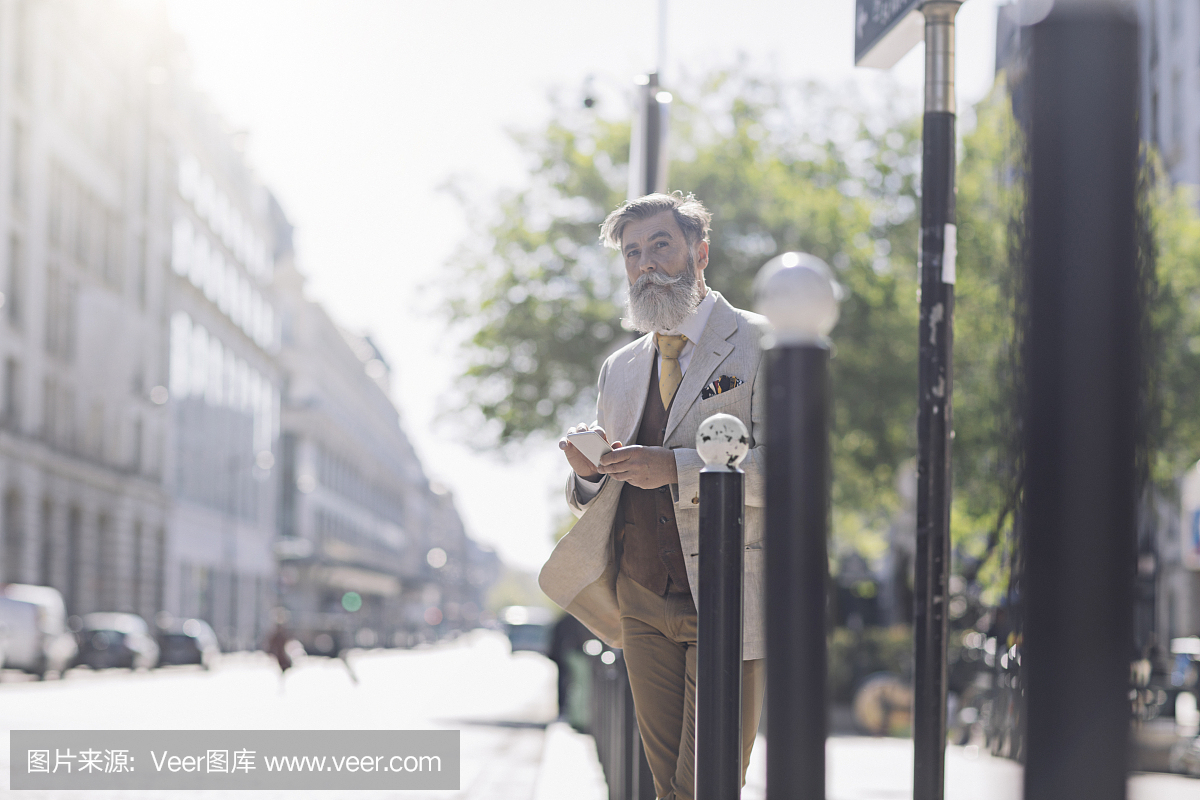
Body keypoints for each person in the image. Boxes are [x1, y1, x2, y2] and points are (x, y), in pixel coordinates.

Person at [539, 192, 767, 800]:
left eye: (660, 245)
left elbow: (793, 474)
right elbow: (604, 490)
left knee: (708, 785)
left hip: (726, 599)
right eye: (632, 252)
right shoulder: (620, 367)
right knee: (667, 789)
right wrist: (587, 472)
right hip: (640, 605)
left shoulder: (757, 343)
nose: (646, 264)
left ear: (700, 253)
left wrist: (676, 468)